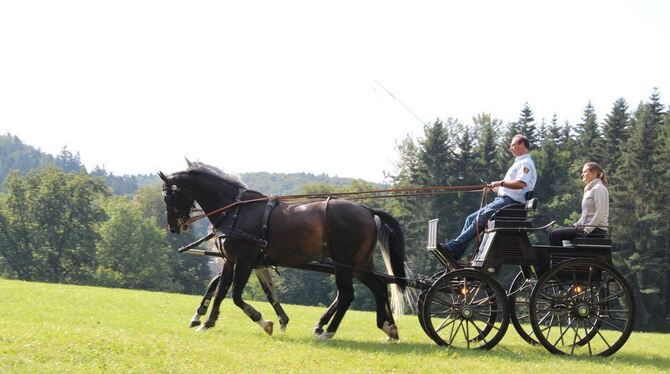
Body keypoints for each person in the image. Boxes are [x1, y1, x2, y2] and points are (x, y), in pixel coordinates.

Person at [438, 134, 537, 261]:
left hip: (510, 204)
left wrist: (500, 183)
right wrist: (494, 188)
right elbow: (508, 189)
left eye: (513, 145)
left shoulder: (526, 163)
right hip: (504, 201)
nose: (510, 148)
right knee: (470, 218)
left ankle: (452, 247)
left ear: (522, 144)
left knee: (480, 219)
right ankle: (456, 253)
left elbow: (521, 184)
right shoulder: (519, 163)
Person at [549, 162, 609, 246]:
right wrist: (577, 224)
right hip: (587, 227)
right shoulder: (590, 189)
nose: (582, 174)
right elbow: (585, 215)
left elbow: (600, 213)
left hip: (596, 230)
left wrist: (587, 230)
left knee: (555, 234)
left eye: (585, 171)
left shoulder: (598, 188)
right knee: (556, 233)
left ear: (594, 173)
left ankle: (559, 258)